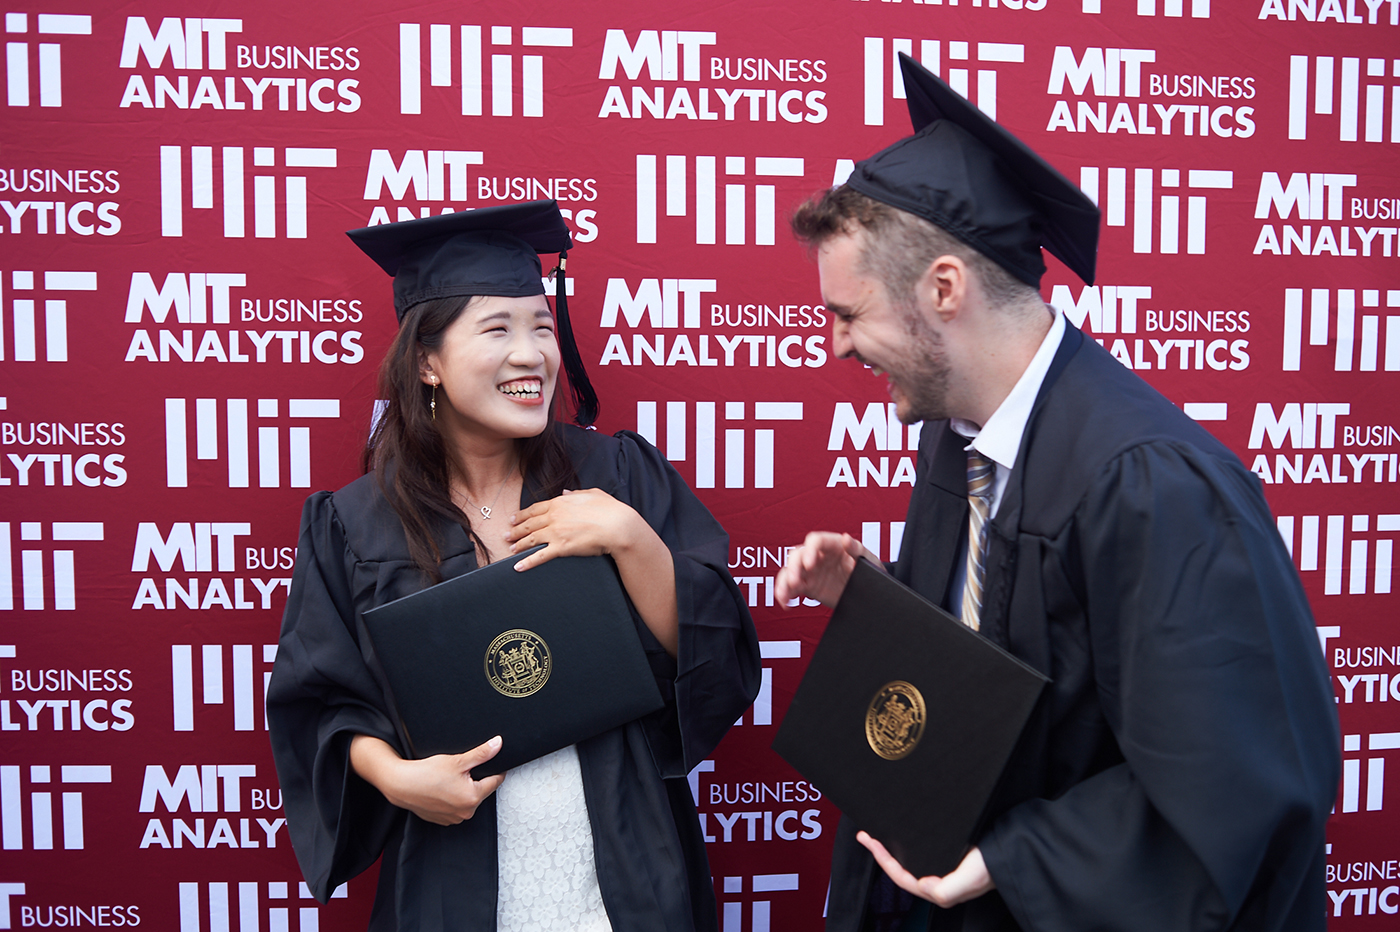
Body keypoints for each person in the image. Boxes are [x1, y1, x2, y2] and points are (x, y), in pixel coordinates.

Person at [775, 55, 1339, 932]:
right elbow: (1006, 664)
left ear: (945, 289)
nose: (839, 346)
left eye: (849, 313)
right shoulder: (957, 435)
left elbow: (1237, 788)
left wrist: (1008, 859)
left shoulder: (1150, 485)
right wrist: (877, 603)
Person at [267, 200, 761, 932]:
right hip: (452, 870)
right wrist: (400, 780)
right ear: (428, 361)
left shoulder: (617, 475)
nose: (532, 353)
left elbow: (712, 648)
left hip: (623, 857)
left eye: (540, 325)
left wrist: (631, 540)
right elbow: (322, 698)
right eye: (497, 329)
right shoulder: (357, 519)